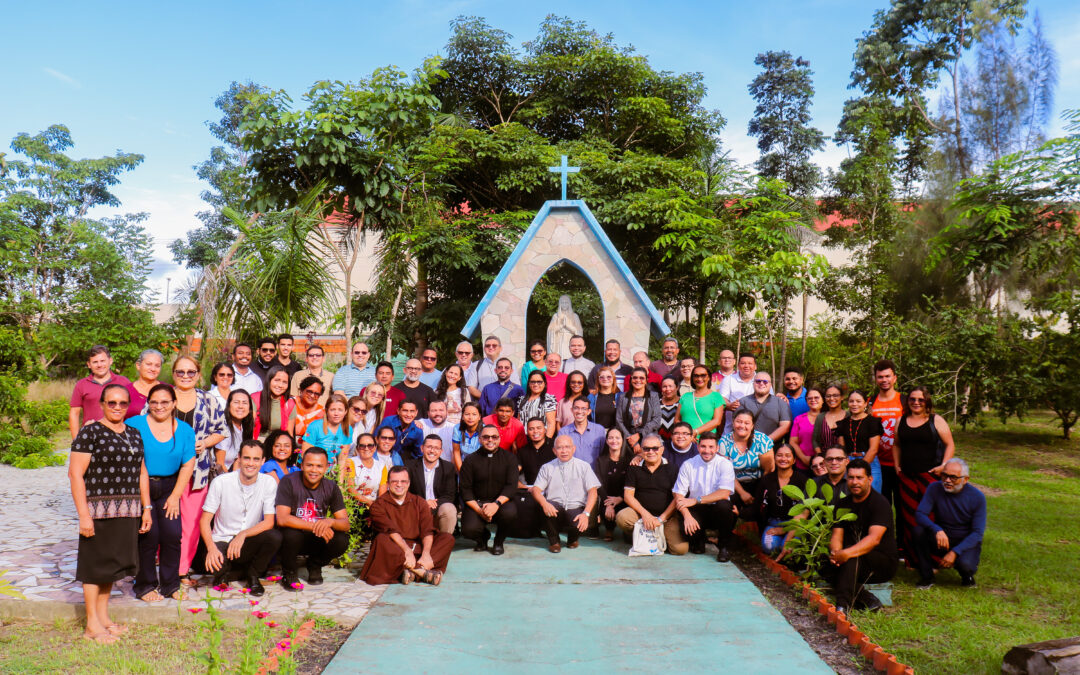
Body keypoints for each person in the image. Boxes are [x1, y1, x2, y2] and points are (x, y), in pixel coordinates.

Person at [69, 383, 152, 644]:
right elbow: (75, 474)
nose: (117, 407)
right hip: (98, 511)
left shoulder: (134, 433)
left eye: (122, 403)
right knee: (95, 568)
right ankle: (92, 625)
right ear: (102, 404)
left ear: (128, 406)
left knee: (112, 568)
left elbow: (141, 472)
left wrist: (146, 508)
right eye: (112, 403)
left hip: (128, 510)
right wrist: (84, 515)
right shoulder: (90, 432)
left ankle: (103, 618)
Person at [128, 384, 196, 602]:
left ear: (174, 404)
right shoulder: (134, 424)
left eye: (165, 402)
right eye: (154, 402)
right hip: (141, 486)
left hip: (169, 487)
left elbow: (188, 464)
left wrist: (175, 495)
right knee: (148, 536)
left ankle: (170, 585)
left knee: (172, 535)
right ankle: (145, 586)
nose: (159, 406)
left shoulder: (185, 430)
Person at [169, 355, 227, 581]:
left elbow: (222, 430)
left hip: (198, 472)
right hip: (166, 470)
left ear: (198, 374)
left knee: (191, 524)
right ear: (173, 374)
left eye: (190, 372)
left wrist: (205, 442)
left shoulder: (208, 399)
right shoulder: (163, 397)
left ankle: (181, 570)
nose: (185, 376)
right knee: (167, 522)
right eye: (180, 372)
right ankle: (165, 566)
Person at [200, 439, 281, 595]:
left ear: (263, 461)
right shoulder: (221, 482)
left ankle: (253, 575)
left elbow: (269, 521)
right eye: (247, 458)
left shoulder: (269, 482)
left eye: (256, 459)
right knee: (215, 564)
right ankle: (229, 573)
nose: (251, 463)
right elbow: (204, 521)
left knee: (274, 537)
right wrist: (211, 548)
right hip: (222, 539)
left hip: (248, 540)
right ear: (239, 458)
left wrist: (243, 534)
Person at [824, 459, 898, 614]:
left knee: (852, 558)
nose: (854, 482)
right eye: (851, 478)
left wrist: (846, 554)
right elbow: (837, 535)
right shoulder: (843, 503)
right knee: (824, 562)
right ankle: (867, 599)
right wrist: (836, 554)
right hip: (853, 558)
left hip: (880, 562)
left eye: (859, 478)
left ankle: (842, 606)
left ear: (870, 480)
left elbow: (874, 540)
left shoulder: (880, 504)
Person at [360, 465, 455, 586]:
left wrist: (426, 554)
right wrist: (406, 551)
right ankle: (419, 571)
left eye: (403, 481)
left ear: (409, 483)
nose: (399, 485)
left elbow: (427, 530)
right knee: (381, 539)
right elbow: (391, 530)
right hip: (395, 548)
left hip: (418, 548)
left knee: (447, 538)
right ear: (388, 483)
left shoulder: (419, 502)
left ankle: (410, 571)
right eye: (394, 481)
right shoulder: (378, 505)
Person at [895, 386, 955, 569]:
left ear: (926, 401)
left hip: (929, 478)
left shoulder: (935, 420)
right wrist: (897, 465)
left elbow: (950, 444)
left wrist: (944, 465)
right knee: (909, 518)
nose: (916, 403)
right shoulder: (901, 420)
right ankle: (913, 560)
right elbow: (896, 444)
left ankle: (934, 559)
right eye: (912, 399)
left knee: (930, 518)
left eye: (920, 400)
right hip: (907, 477)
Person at [274, 447, 350, 589]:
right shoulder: (289, 481)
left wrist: (330, 521)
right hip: (294, 538)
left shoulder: (331, 487)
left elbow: (345, 523)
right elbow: (282, 518)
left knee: (341, 540)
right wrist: (315, 525)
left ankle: (315, 564)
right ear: (302, 465)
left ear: (327, 468)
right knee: (291, 534)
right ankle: (289, 572)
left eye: (319, 466)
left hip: (317, 538)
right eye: (309, 465)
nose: (314, 470)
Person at [914, 458, 986, 588]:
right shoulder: (934, 488)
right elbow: (920, 514)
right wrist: (936, 529)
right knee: (918, 531)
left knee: (966, 565)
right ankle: (927, 577)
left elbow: (977, 533)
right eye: (944, 475)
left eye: (953, 477)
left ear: (965, 479)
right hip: (942, 537)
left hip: (965, 540)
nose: (947, 480)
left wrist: (955, 552)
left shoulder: (978, 497)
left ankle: (967, 576)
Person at [616, 435, 686, 554]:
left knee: (680, 550)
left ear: (662, 449)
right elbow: (628, 496)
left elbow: (677, 498)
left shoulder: (672, 468)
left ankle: (655, 534)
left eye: (655, 448)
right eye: (646, 449)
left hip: (666, 517)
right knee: (622, 517)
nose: (651, 452)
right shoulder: (634, 467)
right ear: (641, 450)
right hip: (640, 515)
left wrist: (661, 518)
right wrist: (645, 515)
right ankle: (637, 534)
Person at [531, 435, 601, 553]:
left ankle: (573, 539)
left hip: (576, 507)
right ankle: (554, 541)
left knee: (580, 520)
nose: (564, 451)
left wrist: (586, 513)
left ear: (573, 449)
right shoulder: (547, 467)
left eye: (567, 447)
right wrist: (544, 503)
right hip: (555, 506)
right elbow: (536, 490)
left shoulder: (584, 466)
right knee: (544, 506)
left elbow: (593, 491)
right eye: (560, 448)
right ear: (554, 450)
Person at [673, 433, 736, 562]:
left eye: (711, 447)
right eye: (703, 446)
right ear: (697, 446)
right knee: (687, 527)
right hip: (697, 510)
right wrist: (687, 516)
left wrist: (696, 500)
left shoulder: (725, 464)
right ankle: (699, 539)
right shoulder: (688, 464)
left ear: (717, 448)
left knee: (724, 506)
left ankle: (724, 546)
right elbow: (678, 494)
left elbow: (724, 493)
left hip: (718, 510)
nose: (707, 450)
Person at [460, 425, 520, 555]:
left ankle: (498, 542)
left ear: (499, 439)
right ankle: (482, 539)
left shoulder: (510, 458)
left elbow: (511, 486)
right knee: (468, 529)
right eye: (486, 437)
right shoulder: (470, 460)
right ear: (480, 439)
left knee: (510, 513)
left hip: (501, 502)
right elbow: (465, 489)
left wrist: (496, 504)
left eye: (494, 437)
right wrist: (479, 510)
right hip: (477, 503)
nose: (490, 440)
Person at [719, 409, 776, 522]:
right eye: (739, 422)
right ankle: (729, 534)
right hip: (734, 483)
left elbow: (769, 470)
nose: (742, 426)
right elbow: (725, 473)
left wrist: (759, 494)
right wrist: (742, 493)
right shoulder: (724, 442)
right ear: (733, 422)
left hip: (760, 482)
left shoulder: (762, 440)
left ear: (752, 425)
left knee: (761, 506)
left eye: (746, 423)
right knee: (725, 505)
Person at [869, 359, 905, 528]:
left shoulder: (904, 401)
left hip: (900, 464)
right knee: (881, 506)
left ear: (895, 378)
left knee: (901, 506)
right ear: (876, 379)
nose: (884, 380)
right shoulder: (870, 402)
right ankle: (884, 542)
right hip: (878, 464)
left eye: (887, 376)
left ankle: (901, 545)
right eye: (880, 377)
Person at [69, 345, 132, 439]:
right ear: (89, 364)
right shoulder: (81, 385)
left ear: (110, 361)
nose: (99, 365)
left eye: (102, 361)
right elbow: (74, 413)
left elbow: (131, 409)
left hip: (119, 436)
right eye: (95, 362)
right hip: (91, 436)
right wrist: (76, 440)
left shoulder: (124, 382)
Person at [757, 444, 808, 556]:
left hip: (794, 524)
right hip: (774, 523)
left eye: (787, 456)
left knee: (792, 551)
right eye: (779, 455)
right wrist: (739, 512)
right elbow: (757, 504)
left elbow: (804, 513)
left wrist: (784, 530)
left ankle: (784, 545)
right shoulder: (767, 479)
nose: (783, 459)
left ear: (794, 460)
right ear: (774, 458)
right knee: (770, 547)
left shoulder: (802, 480)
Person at [406, 435, 458, 534]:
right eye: (429, 447)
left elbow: (450, 495)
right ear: (422, 448)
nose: (432, 451)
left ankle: (443, 543)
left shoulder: (448, 468)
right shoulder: (409, 466)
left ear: (441, 451)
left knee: (449, 509)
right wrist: (423, 503)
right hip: (416, 507)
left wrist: (433, 504)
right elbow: (405, 492)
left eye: (436, 448)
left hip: (438, 507)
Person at [835, 390, 884, 492]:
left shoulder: (873, 422)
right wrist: (849, 466)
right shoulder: (842, 424)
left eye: (858, 401)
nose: (854, 404)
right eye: (851, 401)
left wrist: (860, 467)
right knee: (848, 496)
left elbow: (873, 449)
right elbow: (841, 449)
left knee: (872, 497)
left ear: (865, 403)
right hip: (848, 462)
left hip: (870, 463)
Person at [736, 372, 792, 445]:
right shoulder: (743, 402)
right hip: (747, 447)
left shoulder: (781, 403)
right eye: (758, 381)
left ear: (770, 385)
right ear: (753, 384)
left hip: (773, 448)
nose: (761, 383)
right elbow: (738, 425)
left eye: (765, 381)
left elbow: (785, 426)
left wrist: (765, 442)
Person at [596, 428, 631, 541]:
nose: (614, 441)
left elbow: (631, 483)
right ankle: (609, 529)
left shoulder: (630, 460)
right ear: (606, 441)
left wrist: (621, 498)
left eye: (617, 438)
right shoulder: (601, 460)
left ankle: (628, 530)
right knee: (605, 507)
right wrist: (608, 504)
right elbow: (599, 484)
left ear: (622, 440)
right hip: (608, 499)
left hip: (625, 498)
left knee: (628, 540)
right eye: (610, 438)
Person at [616, 367, 661, 453]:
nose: (638, 380)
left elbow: (657, 420)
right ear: (631, 379)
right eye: (635, 377)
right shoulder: (623, 397)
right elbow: (619, 420)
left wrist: (640, 435)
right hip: (628, 439)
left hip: (649, 439)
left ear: (646, 380)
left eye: (641, 378)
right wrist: (631, 440)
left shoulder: (653, 396)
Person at [557, 397, 607, 471]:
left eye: (584, 408)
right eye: (576, 408)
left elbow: (604, 455)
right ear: (572, 410)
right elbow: (561, 457)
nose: (580, 411)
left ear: (589, 411)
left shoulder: (599, 431)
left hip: (594, 476)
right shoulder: (563, 432)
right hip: (571, 476)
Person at [302, 394, 352, 464]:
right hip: (312, 467)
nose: (336, 413)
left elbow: (342, 459)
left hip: (330, 471)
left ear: (345, 411)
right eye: (332, 410)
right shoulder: (315, 426)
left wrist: (339, 474)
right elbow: (305, 454)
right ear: (327, 411)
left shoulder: (348, 429)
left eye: (340, 410)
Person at [679, 365, 725, 438]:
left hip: (706, 440)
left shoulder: (716, 397)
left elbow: (717, 421)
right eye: (696, 376)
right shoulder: (685, 396)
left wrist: (695, 432)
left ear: (709, 377)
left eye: (703, 375)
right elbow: (677, 420)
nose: (699, 378)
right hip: (685, 440)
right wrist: (685, 435)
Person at [342, 432, 387, 506]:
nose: (366, 449)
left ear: (375, 447)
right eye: (362, 446)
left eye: (370, 446)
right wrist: (369, 503)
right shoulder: (350, 462)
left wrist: (377, 506)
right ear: (357, 448)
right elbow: (350, 489)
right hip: (354, 505)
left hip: (375, 505)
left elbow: (382, 493)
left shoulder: (382, 466)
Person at [217, 390, 256, 473]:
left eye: (244, 403)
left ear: (249, 408)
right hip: (221, 478)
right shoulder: (224, 429)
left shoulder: (244, 429)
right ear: (229, 406)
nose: (240, 406)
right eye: (236, 402)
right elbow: (220, 464)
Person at [718, 352, 757, 432]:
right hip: (731, 430)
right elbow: (722, 398)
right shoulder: (728, 379)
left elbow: (769, 399)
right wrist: (728, 405)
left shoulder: (762, 380)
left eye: (750, 363)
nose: (746, 366)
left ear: (755, 366)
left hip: (756, 429)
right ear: (738, 366)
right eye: (743, 363)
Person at [256, 365, 296, 439]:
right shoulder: (255, 399)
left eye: (284, 382)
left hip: (279, 443)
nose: (280, 385)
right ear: (269, 380)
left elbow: (289, 433)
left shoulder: (290, 403)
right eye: (277, 380)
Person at [789, 388, 823, 471]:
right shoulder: (799, 419)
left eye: (816, 397)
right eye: (809, 398)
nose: (813, 400)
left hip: (824, 465)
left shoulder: (828, 418)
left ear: (823, 400)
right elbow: (793, 442)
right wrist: (804, 458)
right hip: (802, 465)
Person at [517, 371, 558, 438]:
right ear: (529, 384)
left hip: (541, 439)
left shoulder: (548, 399)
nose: (536, 384)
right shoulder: (522, 400)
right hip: (524, 439)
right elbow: (518, 422)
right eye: (533, 382)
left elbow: (551, 424)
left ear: (544, 383)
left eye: (539, 382)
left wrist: (546, 443)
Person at [125, 349, 163, 419]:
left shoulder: (168, 390)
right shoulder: (125, 392)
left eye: (157, 366)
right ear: (138, 366)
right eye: (148, 364)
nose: (153, 369)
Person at [546, 294, 584, 360]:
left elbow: (579, 332)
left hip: (570, 340)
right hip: (559, 341)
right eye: (562, 303)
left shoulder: (575, 316)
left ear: (569, 304)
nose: (564, 305)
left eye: (566, 303)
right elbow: (550, 331)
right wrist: (561, 326)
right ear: (560, 304)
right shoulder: (556, 316)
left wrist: (567, 326)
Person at [814, 384, 847, 453]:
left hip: (846, 459)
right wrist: (821, 456)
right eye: (828, 396)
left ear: (842, 397)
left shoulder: (849, 416)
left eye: (835, 395)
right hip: (825, 459)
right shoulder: (820, 417)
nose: (831, 398)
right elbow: (815, 440)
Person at [452, 402, 483, 471]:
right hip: (464, 465)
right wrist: (462, 472)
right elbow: (456, 452)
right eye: (467, 414)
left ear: (479, 417)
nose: (470, 417)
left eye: (474, 414)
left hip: (481, 466)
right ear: (462, 416)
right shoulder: (457, 428)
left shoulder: (485, 431)